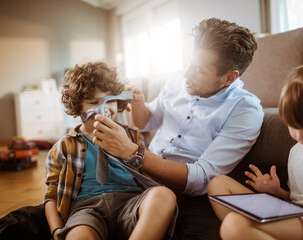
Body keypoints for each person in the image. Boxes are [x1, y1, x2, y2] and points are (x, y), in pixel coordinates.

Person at [92, 18, 264, 239]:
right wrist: (140, 103)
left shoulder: (245, 111)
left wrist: (133, 153)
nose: (186, 74)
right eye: (188, 63)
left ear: (229, 77)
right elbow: (147, 122)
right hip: (140, 179)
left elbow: (201, 179)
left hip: (188, 197)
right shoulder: (176, 84)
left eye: (199, 70)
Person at [207, 64, 303, 240]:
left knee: (234, 224)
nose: (300, 137)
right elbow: (298, 200)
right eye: (293, 127)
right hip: (298, 216)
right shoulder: (297, 151)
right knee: (217, 184)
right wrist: (277, 192)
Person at [44, 61, 177, 240]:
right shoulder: (63, 147)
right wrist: (56, 230)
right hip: (86, 211)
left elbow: (148, 173)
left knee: (163, 195)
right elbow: (51, 195)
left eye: (110, 100)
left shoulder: (131, 136)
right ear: (77, 106)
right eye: (94, 102)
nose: (104, 109)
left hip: (130, 203)